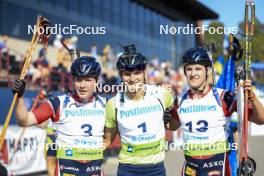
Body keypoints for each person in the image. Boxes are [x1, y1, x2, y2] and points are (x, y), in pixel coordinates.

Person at [170, 47, 264, 176]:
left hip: (218, 169)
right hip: (190, 170)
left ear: (207, 71)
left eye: (198, 69)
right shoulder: (180, 100)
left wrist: (252, 98)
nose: (193, 73)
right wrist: (166, 118)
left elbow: (261, 119)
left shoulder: (224, 97)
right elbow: (173, 126)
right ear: (185, 72)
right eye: (189, 69)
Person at [11, 56, 106, 176]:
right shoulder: (57, 103)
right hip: (67, 170)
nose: (82, 85)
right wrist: (19, 97)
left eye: (88, 80)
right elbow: (24, 121)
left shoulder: (105, 105)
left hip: (95, 170)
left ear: (97, 81)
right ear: (72, 80)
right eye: (78, 79)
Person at [104, 44, 176, 176]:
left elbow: (174, 126)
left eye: (137, 73)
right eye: (127, 74)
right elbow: (107, 141)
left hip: (156, 169)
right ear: (121, 75)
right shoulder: (113, 103)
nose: (132, 78)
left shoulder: (162, 95)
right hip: (127, 169)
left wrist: (169, 119)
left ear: (144, 73)